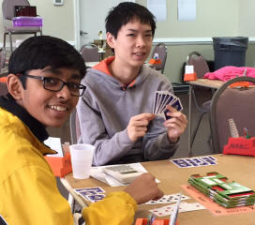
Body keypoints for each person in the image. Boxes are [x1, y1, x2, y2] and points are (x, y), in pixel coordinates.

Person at [0, 36, 163, 225]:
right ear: (15, 86)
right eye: (50, 81)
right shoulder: (22, 162)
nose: (65, 94)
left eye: (73, 84)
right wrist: (128, 198)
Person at [77, 2, 188, 166]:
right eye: (132, 35)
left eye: (147, 35)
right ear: (111, 40)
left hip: (146, 170)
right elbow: (95, 156)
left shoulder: (160, 84)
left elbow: (153, 154)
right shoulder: (89, 85)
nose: (141, 43)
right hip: (101, 173)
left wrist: (169, 138)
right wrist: (127, 136)